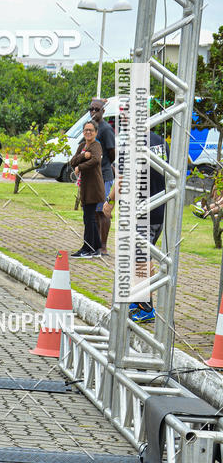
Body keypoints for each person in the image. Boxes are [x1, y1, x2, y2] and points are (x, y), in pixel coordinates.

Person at [106, 129, 169, 322]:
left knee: (139, 258)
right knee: (142, 255)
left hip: (142, 211)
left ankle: (146, 306)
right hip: (160, 206)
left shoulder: (130, 144)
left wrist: (109, 202)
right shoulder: (161, 141)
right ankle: (138, 298)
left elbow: (122, 180)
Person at [70, 120, 105, 257]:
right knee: (89, 218)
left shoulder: (96, 146)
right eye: (86, 130)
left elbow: (96, 160)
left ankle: (87, 248)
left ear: (96, 132)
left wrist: (80, 166)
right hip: (84, 187)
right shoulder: (82, 146)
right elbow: (72, 161)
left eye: (91, 130)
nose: (88, 132)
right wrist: (83, 156)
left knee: (89, 218)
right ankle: (96, 247)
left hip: (93, 187)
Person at [89, 99, 116, 255]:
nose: (93, 112)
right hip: (90, 177)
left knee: (102, 211)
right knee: (93, 212)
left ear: (103, 111)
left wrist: (105, 165)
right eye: (91, 109)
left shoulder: (106, 129)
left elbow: (112, 152)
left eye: (96, 109)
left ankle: (103, 246)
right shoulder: (91, 128)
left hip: (103, 176)